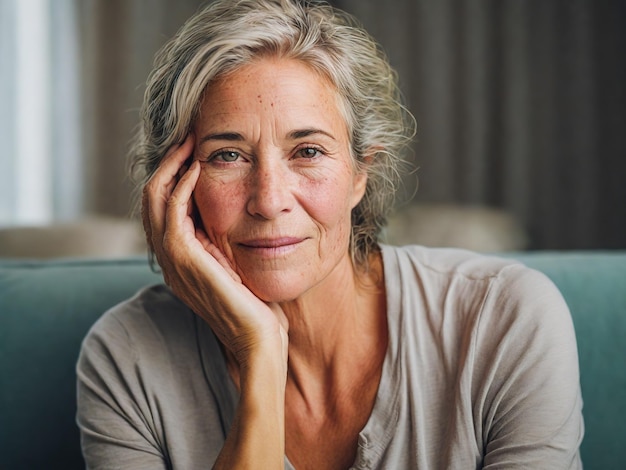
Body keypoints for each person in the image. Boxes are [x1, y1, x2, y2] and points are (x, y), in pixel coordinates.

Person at [76, 0, 584, 468]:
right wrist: (261, 355)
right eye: (227, 155)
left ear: (361, 173)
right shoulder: (127, 358)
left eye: (308, 151)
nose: (269, 199)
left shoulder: (506, 319)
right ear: (171, 188)